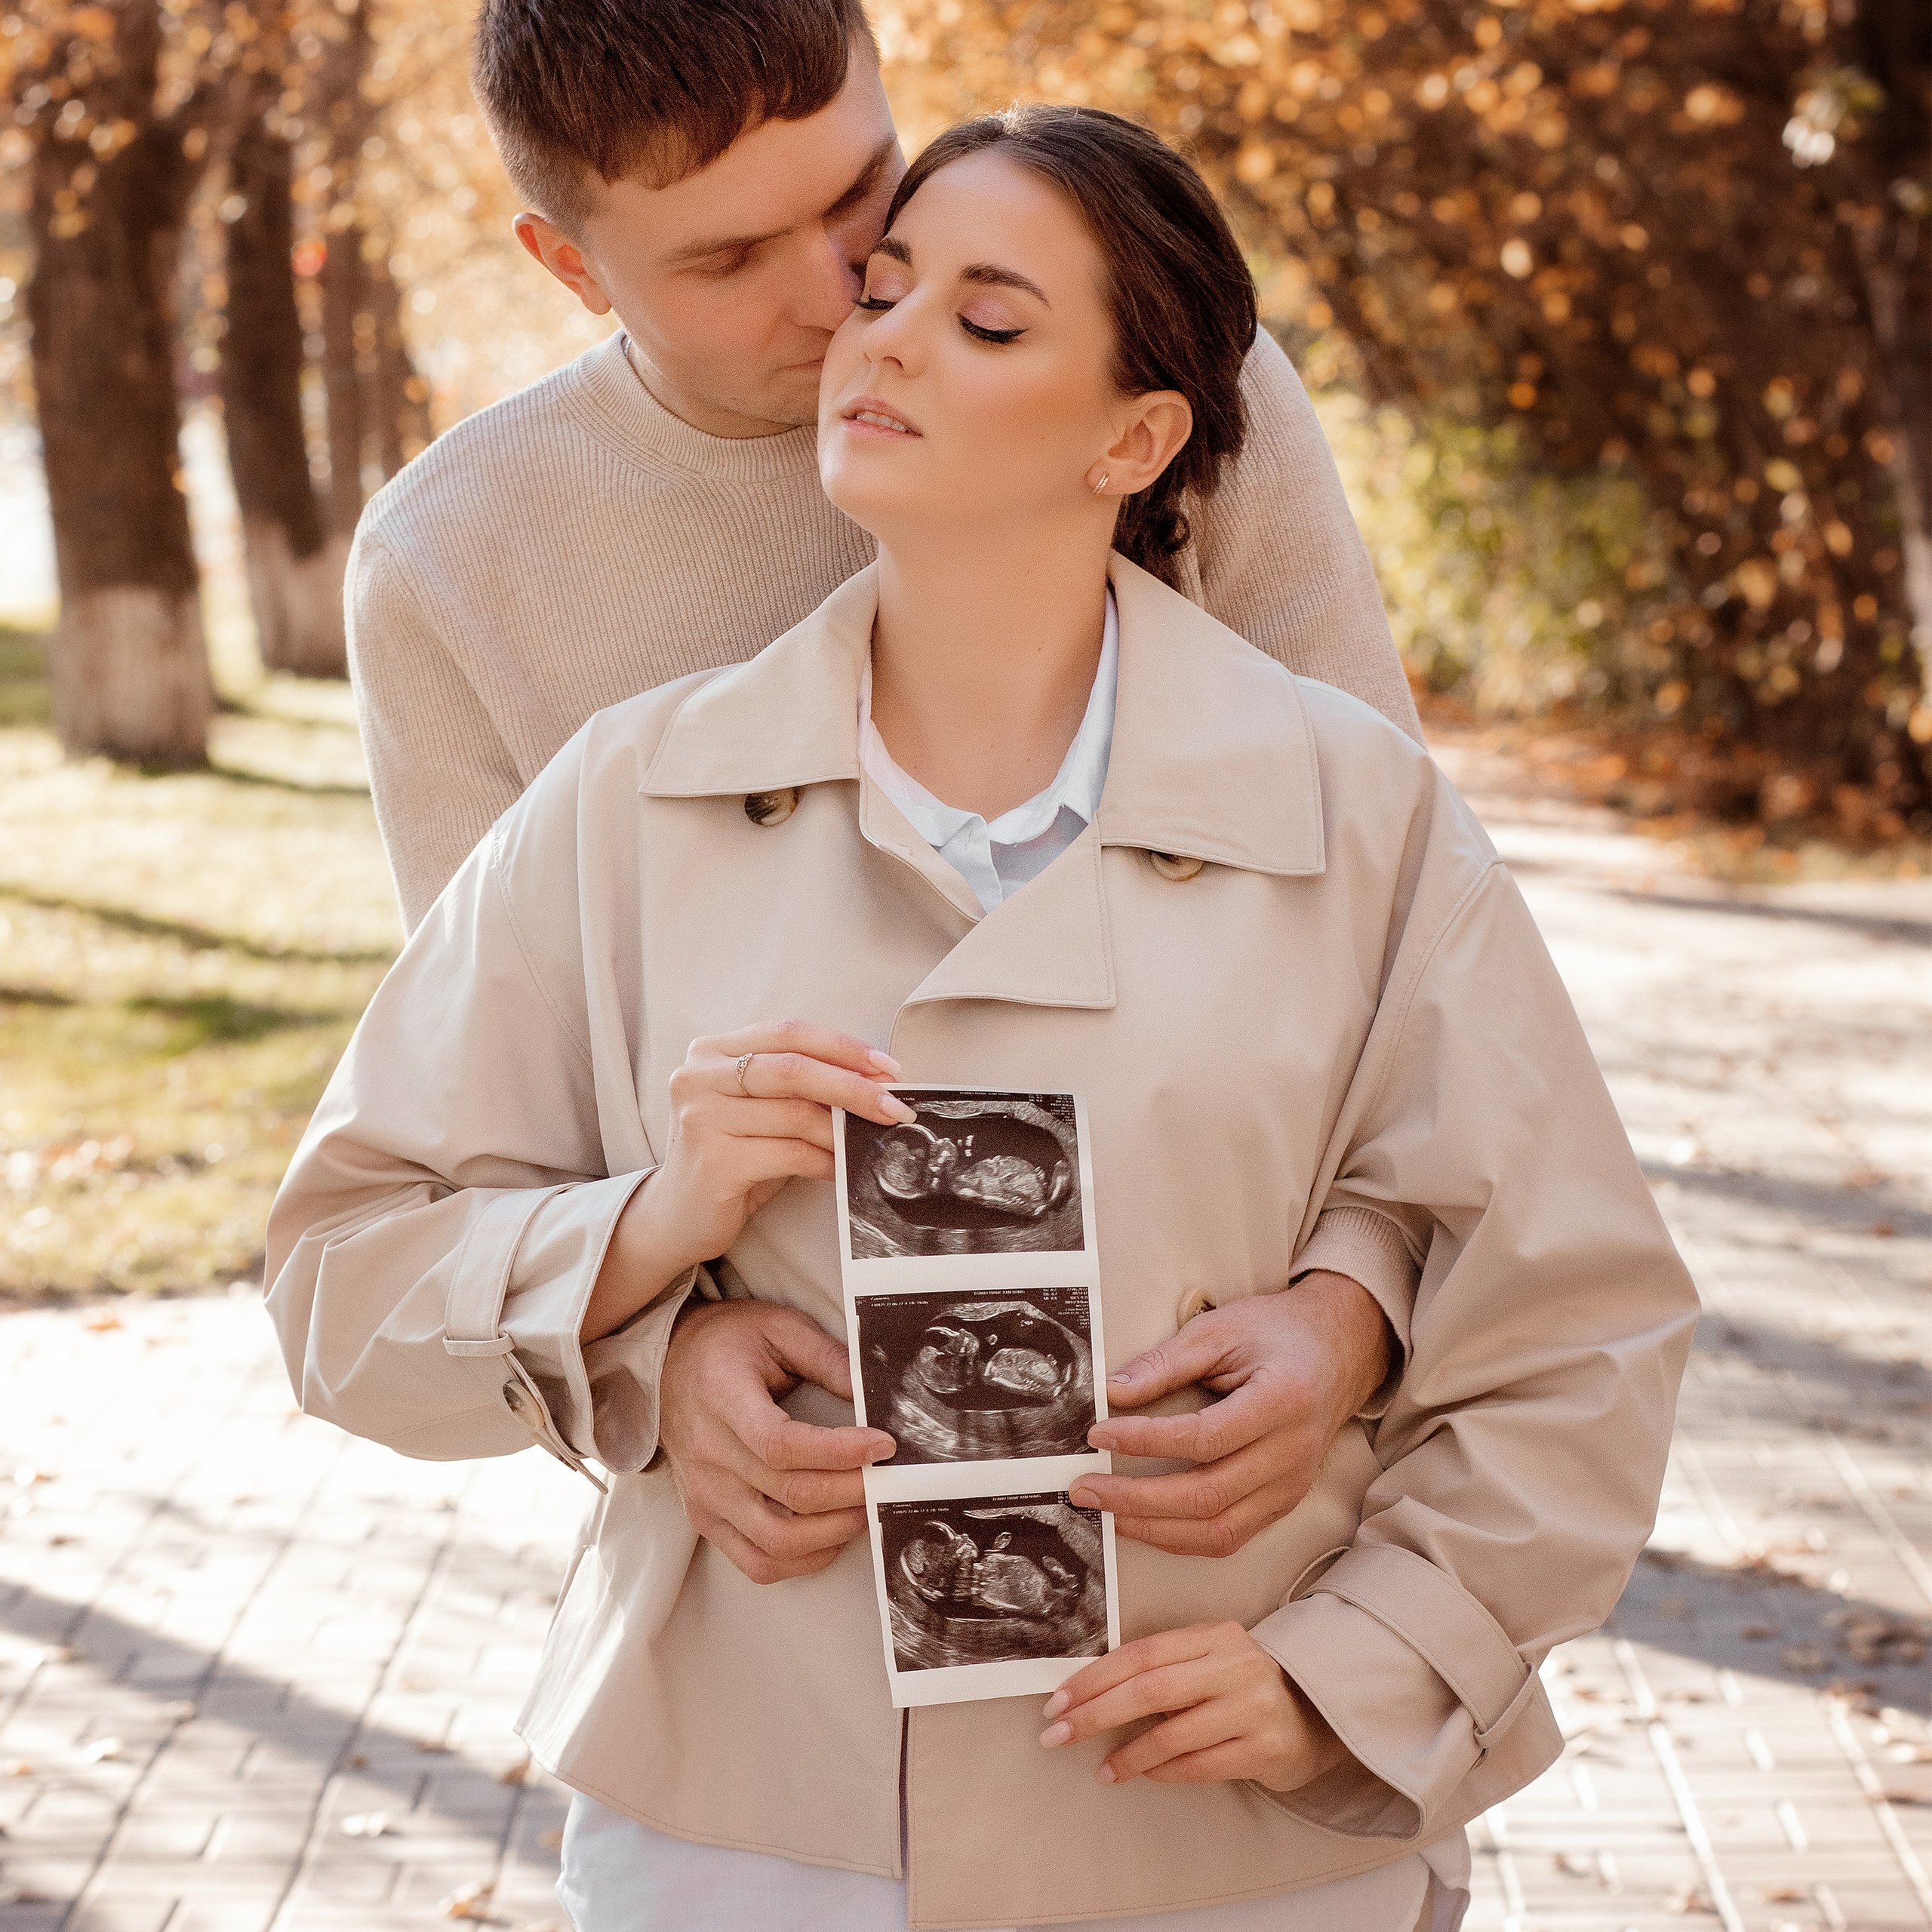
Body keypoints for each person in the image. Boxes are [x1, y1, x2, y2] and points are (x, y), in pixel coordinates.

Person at [270, 101, 1696, 1931]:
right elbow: (346, 1270)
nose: (873, 332)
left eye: (987, 319)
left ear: (1138, 433)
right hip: (749, 1828)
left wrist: (1356, 1662)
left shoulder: (1358, 813)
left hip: (1233, 1829)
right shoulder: (619, 803)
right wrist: (650, 1235)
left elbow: (1570, 1322)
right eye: (885, 291)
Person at [344, 0, 1424, 1604]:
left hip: (1225, 1549)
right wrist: (658, 1356)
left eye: (861, 191)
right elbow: (500, 1134)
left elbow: (1404, 953)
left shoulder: (1165, 386)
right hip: (793, 1597)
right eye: (723, 262)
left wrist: (1356, 1309)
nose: (840, 293)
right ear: (569, 266)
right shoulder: (453, 565)